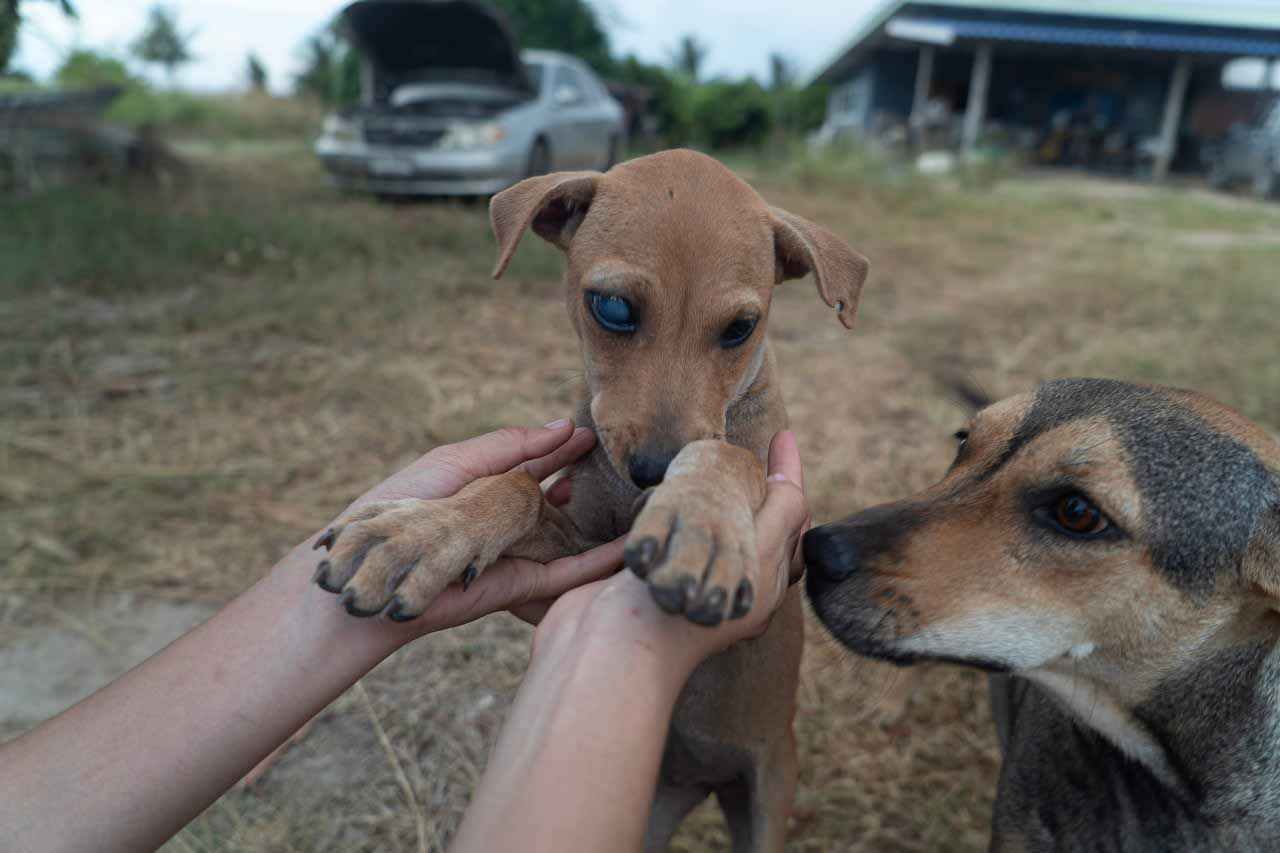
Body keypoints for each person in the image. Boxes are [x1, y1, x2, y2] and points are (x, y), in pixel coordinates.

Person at [0, 420, 809, 853]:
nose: (661, 436)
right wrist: (483, 511)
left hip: (746, 746)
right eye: (615, 312)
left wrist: (716, 477)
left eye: (733, 330)